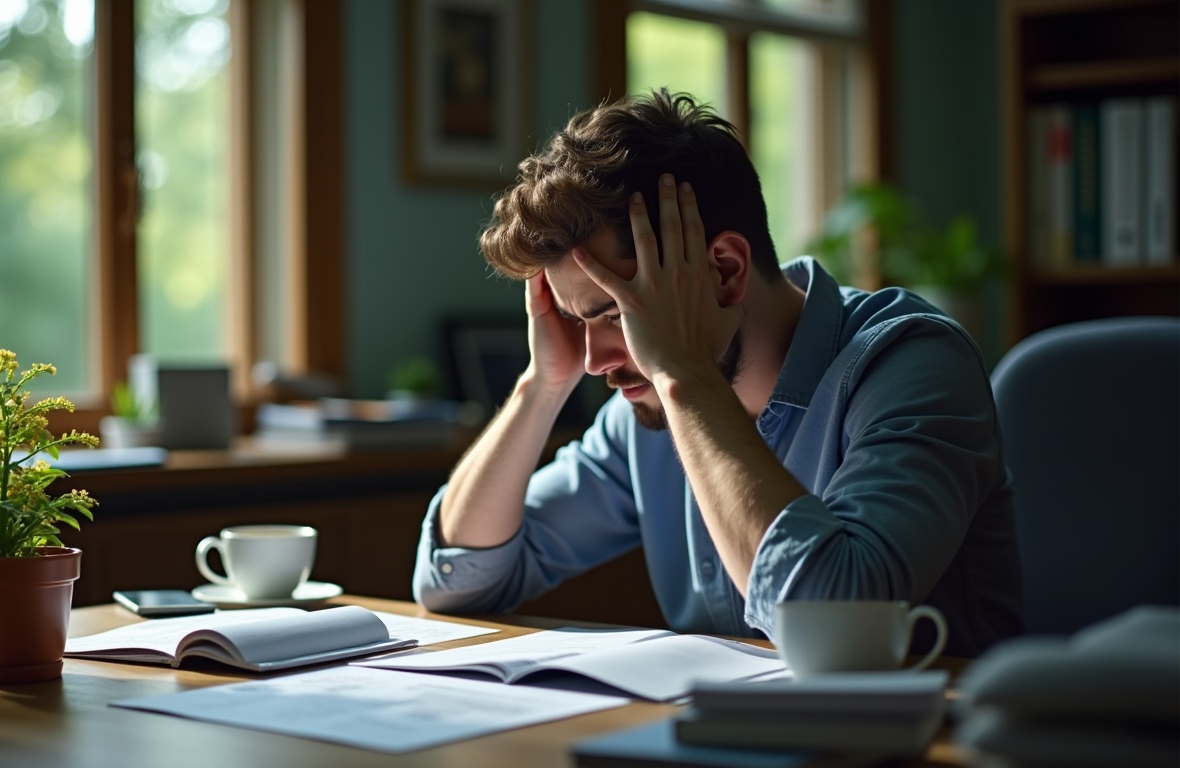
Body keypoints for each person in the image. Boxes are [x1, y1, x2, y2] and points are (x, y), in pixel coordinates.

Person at [412, 89, 1022, 657]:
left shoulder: (911, 364)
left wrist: (681, 372)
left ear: (726, 270)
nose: (595, 360)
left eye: (614, 313)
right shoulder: (644, 414)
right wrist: (540, 384)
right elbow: (458, 583)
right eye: (577, 321)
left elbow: (833, 625)